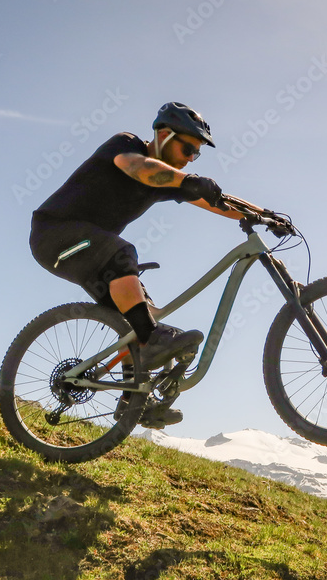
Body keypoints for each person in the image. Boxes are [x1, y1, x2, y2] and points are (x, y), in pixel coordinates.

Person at [29, 101, 262, 426]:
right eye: (188, 149)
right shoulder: (126, 145)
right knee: (125, 258)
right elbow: (136, 166)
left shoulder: (167, 180)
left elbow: (217, 203)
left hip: (89, 251)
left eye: (196, 154)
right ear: (164, 135)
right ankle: (149, 343)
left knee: (143, 315)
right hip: (54, 235)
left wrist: (265, 216)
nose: (190, 159)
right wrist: (188, 179)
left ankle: (135, 401)